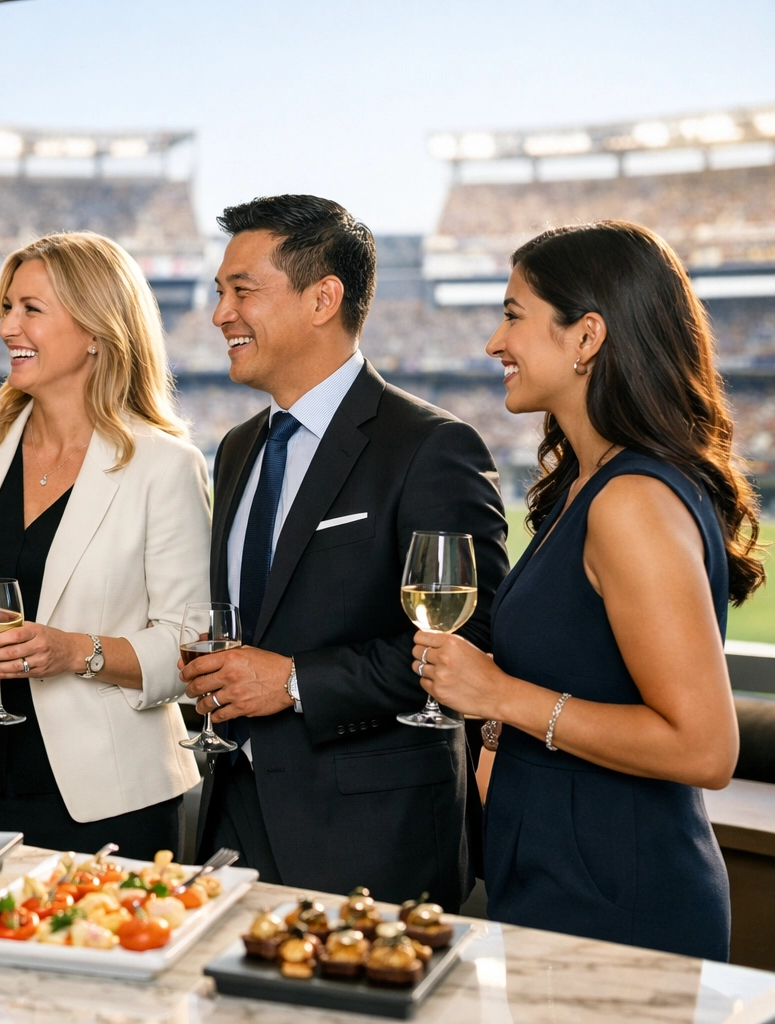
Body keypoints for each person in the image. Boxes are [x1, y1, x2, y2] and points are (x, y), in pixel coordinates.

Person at [413, 221, 750, 960]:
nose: (495, 343)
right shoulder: (581, 487)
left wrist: (500, 698)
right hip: (554, 879)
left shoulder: (630, 503)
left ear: (586, 336)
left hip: (620, 903)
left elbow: (705, 748)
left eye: (512, 314)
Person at [183, 195, 508, 908]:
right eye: (219, 293)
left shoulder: (431, 447)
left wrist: (295, 680)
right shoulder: (238, 448)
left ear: (322, 298)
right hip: (232, 818)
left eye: (242, 291)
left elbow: (472, 640)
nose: (220, 315)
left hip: (371, 839)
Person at [0, 231, 210, 859]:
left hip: (109, 800)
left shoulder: (166, 466)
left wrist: (75, 652)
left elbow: (188, 645)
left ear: (97, 330)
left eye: (31, 309)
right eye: (6, 307)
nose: (7, 328)